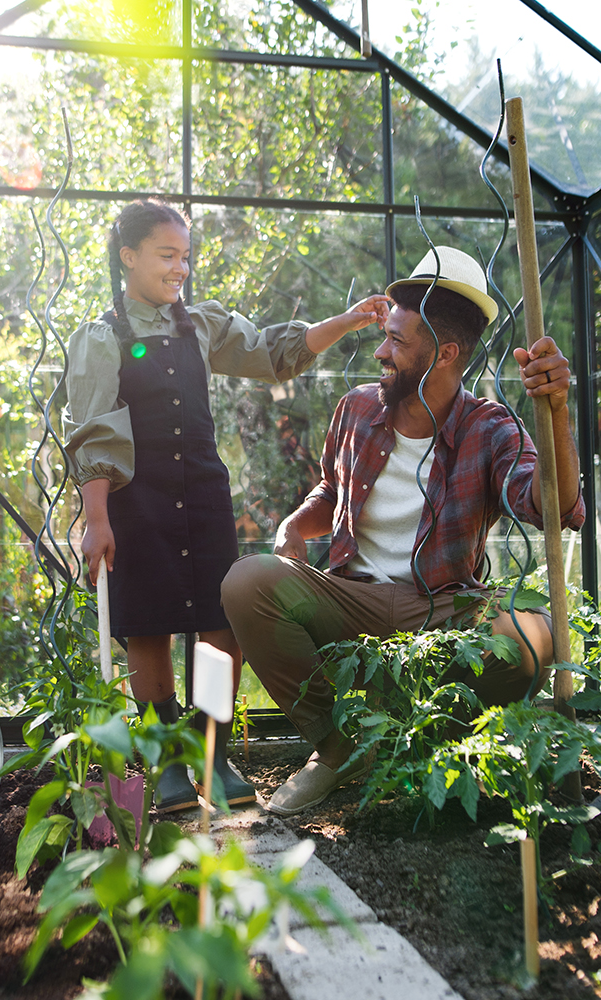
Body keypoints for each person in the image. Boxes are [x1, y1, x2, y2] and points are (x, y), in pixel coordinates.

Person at [220, 245, 585, 816]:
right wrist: (296, 523)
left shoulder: (490, 426)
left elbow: (553, 507)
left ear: (444, 354)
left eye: (396, 341)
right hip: (352, 600)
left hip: (441, 607)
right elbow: (332, 493)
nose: (381, 353)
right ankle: (340, 751)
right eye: (384, 336)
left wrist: (557, 409)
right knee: (246, 582)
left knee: (532, 639)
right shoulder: (357, 410)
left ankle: (435, 742)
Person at [63, 198, 391, 812]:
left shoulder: (201, 325)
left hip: (205, 495)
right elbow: (94, 432)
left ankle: (211, 752)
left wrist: (346, 321)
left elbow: (271, 353)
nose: (180, 268)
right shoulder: (103, 338)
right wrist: (98, 519)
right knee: (149, 625)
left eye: (185, 257)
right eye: (167, 256)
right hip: (139, 501)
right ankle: (163, 762)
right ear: (128, 257)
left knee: (218, 626)